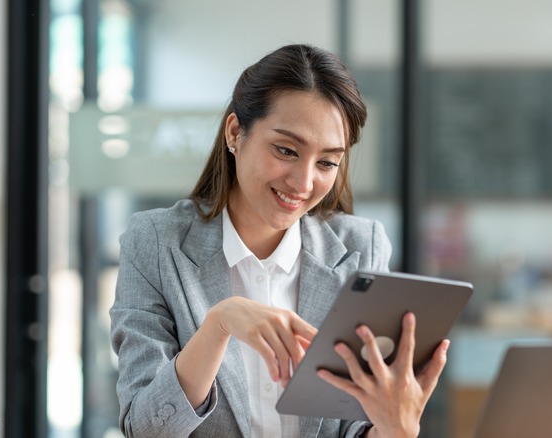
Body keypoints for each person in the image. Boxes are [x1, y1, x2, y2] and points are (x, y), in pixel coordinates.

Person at [110, 44, 450, 438]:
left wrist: (396, 429)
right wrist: (219, 324)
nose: (304, 183)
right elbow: (145, 429)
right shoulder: (155, 242)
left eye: (327, 163)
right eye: (286, 150)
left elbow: (356, 425)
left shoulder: (362, 248)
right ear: (235, 133)